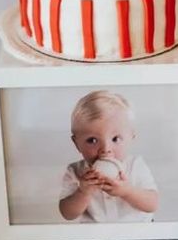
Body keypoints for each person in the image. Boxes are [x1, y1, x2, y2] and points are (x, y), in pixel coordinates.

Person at [59, 91, 159, 223]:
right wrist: (83, 192)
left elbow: (152, 204)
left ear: (131, 138)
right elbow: (67, 214)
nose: (105, 150)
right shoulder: (75, 171)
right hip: (97, 237)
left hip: (137, 231)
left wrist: (127, 191)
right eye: (92, 140)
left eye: (115, 139)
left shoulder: (136, 165)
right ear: (77, 144)